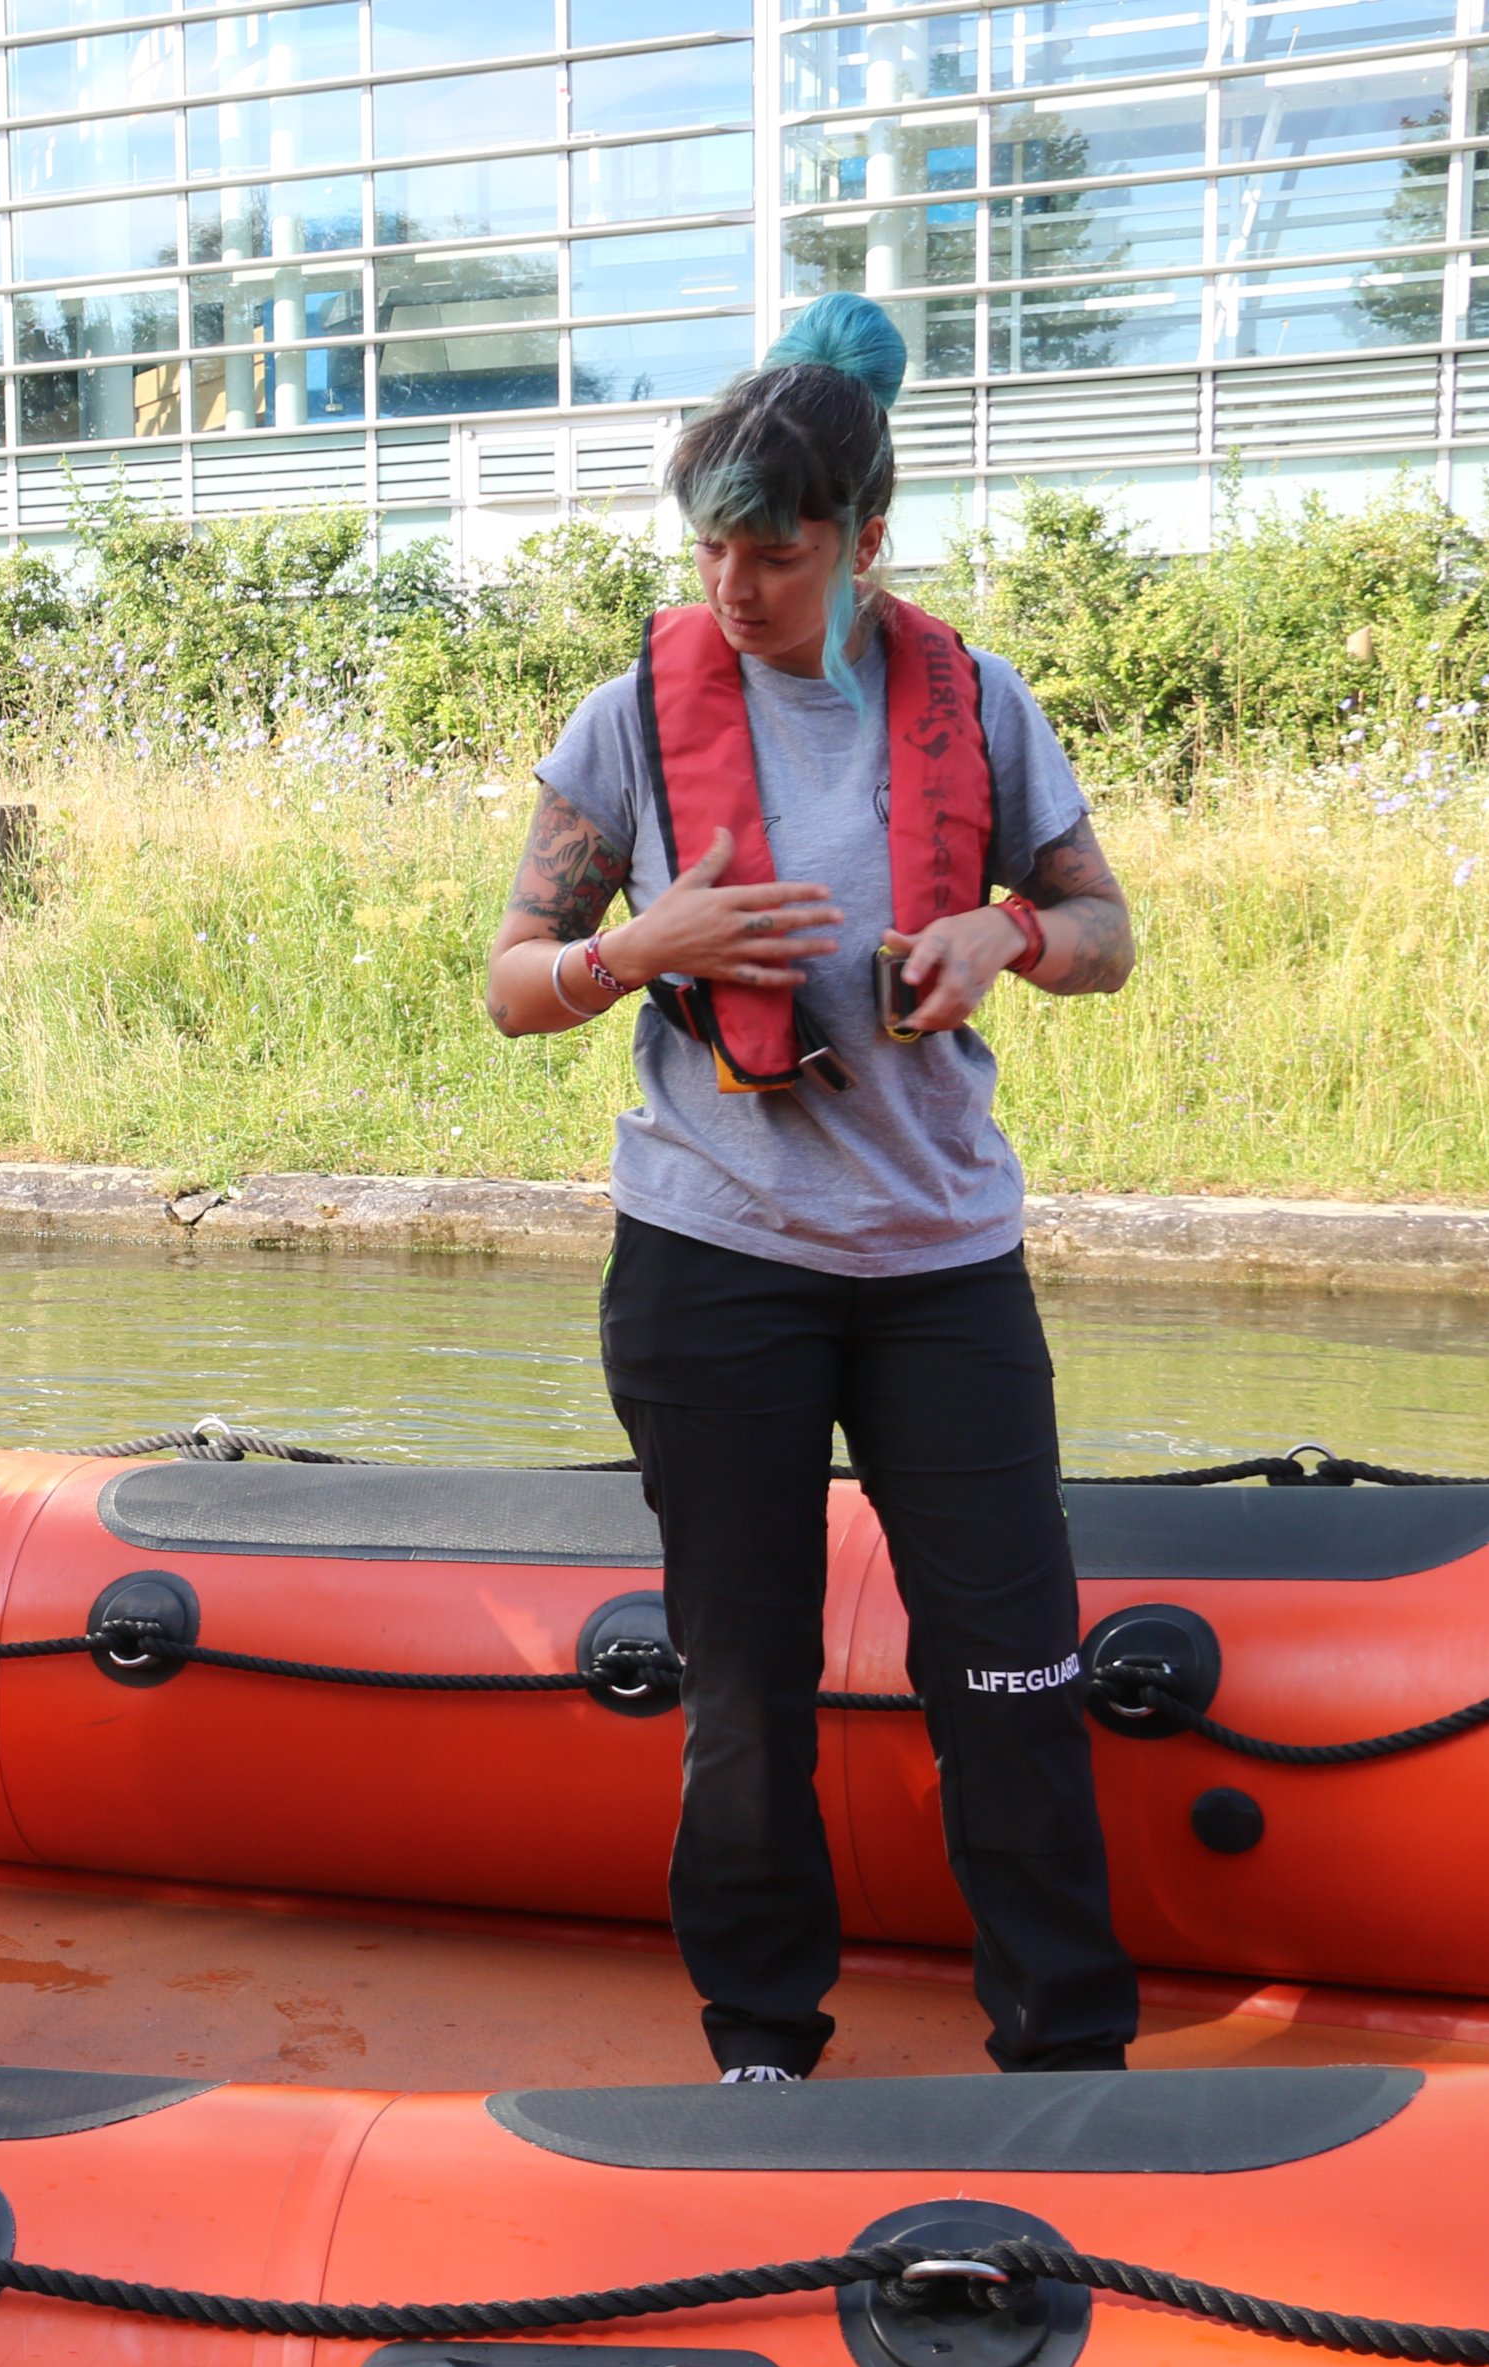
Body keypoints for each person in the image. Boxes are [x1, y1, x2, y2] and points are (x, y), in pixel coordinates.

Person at [483, 295, 1144, 2084]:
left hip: (946, 1263)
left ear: (868, 539)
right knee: (747, 1690)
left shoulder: (984, 704)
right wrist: (643, 947)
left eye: (772, 552)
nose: (733, 587)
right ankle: (762, 2043)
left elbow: (1108, 931)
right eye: (709, 547)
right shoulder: (627, 716)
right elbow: (512, 978)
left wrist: (1007, 931)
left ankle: (1067, 2051)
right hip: (714, 1260)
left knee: (1012, 1671)